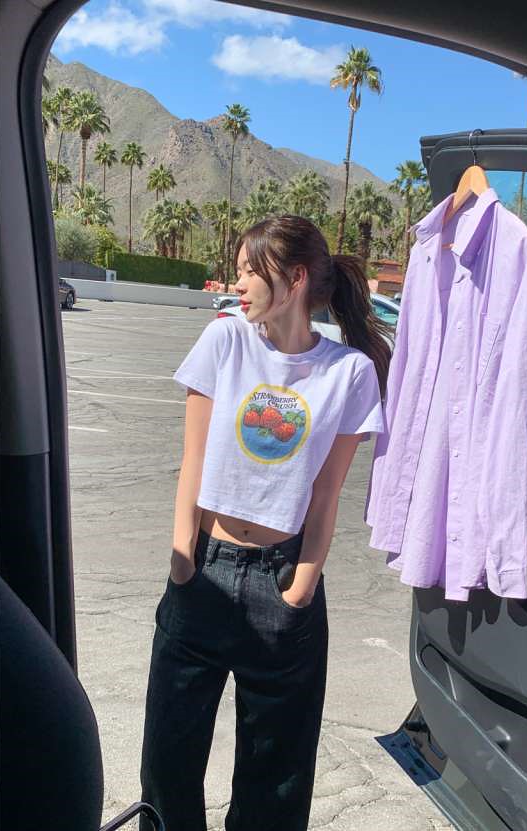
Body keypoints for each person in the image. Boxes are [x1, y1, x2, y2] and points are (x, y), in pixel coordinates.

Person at [139, 214, 393, 831]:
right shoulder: (224, 341)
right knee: (169, 756)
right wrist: (182, 558)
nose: (239, 283)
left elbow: (327, 493)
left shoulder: (349, 373)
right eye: (240, 270)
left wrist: (302, 584)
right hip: (204, 570)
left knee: (276, 774)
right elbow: (193, 461)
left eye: (252, 271)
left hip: (281, 582)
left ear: (296, 278)